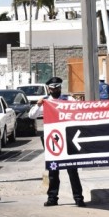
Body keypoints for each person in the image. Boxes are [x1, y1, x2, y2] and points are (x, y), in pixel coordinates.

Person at [29, 76, 86, 208]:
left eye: (58, 88)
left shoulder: (68, 99)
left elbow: (80, 109)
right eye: (53, 88)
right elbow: (32, 116)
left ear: (60, 88)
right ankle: (52, 198)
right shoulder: (46, 102)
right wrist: (38, 104)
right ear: (49, 89)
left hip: (69, 139)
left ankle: (78, 198)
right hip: (53, 141)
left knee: (72, 170)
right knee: (53, 171)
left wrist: (76, 103)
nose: (55, 90)